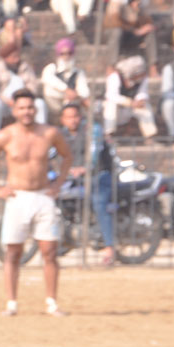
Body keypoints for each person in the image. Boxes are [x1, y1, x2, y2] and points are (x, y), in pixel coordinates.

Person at [0, 88, 72, 316]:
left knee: (50, 250)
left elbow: (67, 155)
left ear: (35, 109)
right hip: (17, 197)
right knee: (13, 252)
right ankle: (11, 303)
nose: (26, 111)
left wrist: (58, 183)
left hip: (43, 195)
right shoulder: (6, 135)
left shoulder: (49, 133)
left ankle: (51, 302)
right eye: (21, 108)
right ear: (14, 110)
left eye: (29, 107)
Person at [58, 103, 116, 266]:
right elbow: (52, 152)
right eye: (69, 117)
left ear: (81, 117)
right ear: (62, 120)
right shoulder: (61, 135)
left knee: (98, 203)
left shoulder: (93, 130)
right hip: (76, 177)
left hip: (100, 175)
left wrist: (85, 168)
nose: (73, 120)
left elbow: (94, 153)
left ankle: (110, 247)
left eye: (75, 116)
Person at [0, 41, 47, 139]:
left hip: (24, 101)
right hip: (5, 103)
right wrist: (6, 100)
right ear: (5, 57)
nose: (16, 59)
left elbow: (33, 86)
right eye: (13, 56)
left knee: (40, 103)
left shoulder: (25, 67)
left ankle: (41, 135)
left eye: (17, 56)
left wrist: (24, 98)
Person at [104, 0, 158, 72]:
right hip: (117, 33)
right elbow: (113, 22)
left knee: (150, 31)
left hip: (132, 35)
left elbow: (147, 23)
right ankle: (111, 66)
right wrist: (135, 30)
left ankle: (153, 66)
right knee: (117, 31)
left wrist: (138, 11)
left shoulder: (142, 2)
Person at [104, 55, 158, 140]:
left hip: (131, 109)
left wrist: (140, 101)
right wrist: (129, 102)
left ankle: (150, 137)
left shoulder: (142, 79)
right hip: (118, 110)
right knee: (110, 104)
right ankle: (108, 135)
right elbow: (111, 95)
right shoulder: (115, 77)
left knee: (145, 106)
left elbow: (142, 92)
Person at [40, 38, 90, 119]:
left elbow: (84, 91)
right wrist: (67, 91)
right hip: (54, 105)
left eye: (69, 53)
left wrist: (75, 96)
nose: (66, 57)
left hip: (72, 104)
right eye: (62, 54)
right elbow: (48, 79)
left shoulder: (78, 72)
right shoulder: (51, 68)